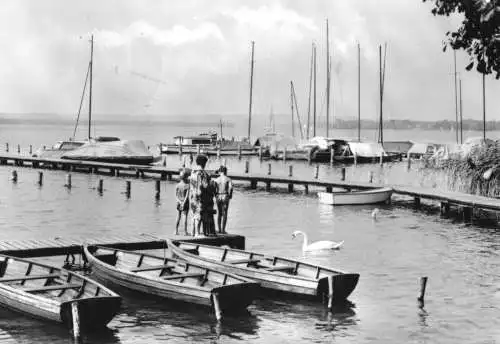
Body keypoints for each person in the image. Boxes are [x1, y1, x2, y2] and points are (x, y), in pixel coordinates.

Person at [189, 154, 217, 236]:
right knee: (201, 216)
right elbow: (205, 186)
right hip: (201, 198)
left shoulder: (192, 172)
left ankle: (193, 233)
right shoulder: (203, 174)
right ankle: (198, 234)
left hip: (193, 197)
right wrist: (212, 184)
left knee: (194, 216)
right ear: (203, 163)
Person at [214, 166, 233, 234]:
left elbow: (214, 189)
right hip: (225, 195)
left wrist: (215, 195)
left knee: (219, 213)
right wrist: (230, 195)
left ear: (220, 172)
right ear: (225, 171)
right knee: (225, 213)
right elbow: (231, 188)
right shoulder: (228, 179)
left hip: (218, 195)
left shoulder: (216, 179)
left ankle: (219, 229)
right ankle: (223, 230)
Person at [175, 169, 190, 236]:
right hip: (185, 202)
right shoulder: (187, 185)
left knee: (178, 216)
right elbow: (187, 196)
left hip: (178, 202)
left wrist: (179, 201)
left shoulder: (177, 185)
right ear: (186, 177)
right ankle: (185, 232)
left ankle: (176, 231)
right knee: (185, 217)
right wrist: (183, 203)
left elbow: (175, 195)